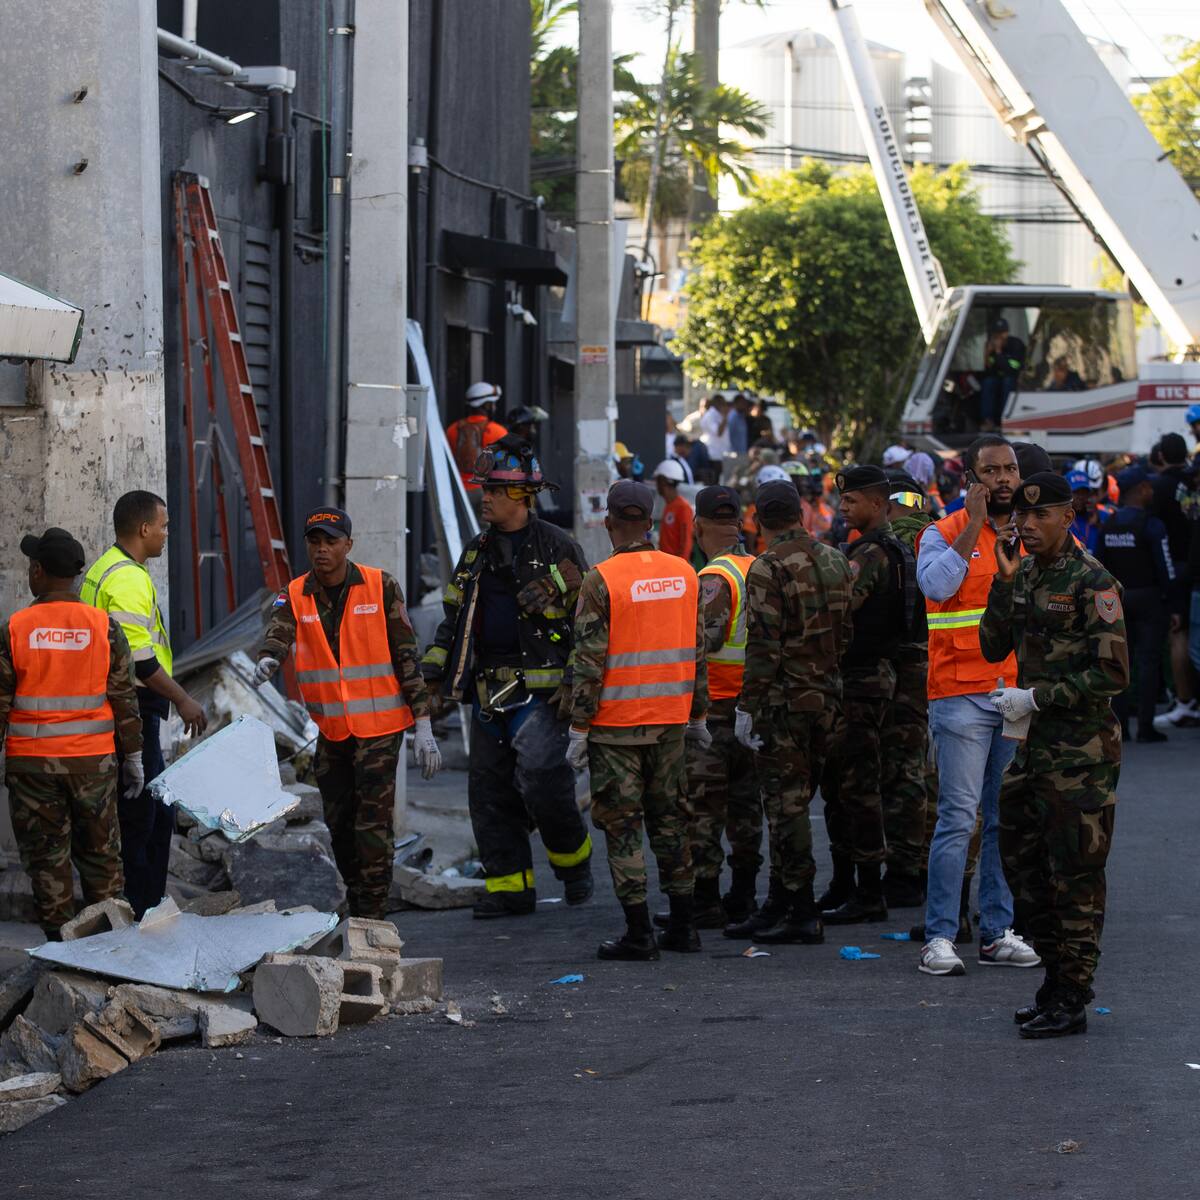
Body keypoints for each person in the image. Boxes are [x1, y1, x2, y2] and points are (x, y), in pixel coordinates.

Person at [983, 472, 1129, 1038]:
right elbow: (992, 645)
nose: (1027, 525)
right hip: (1032, 752)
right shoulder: (1024, 575)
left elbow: (1113, 672)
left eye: (1040, 515)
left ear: (1068, 517)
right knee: (1023, 866)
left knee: (1076, 876)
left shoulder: (1093, 580)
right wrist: (1002, 582)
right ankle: (1054, 978)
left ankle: (1072, 992)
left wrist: (1038, 697)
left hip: (1081, 756)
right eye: (1021, 516)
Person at [420, 438, 593, 916]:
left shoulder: (558, 547)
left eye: (495, 490)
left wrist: (576, 682)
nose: (486, 498)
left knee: (543, 781)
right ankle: (509, 888)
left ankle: (573, 864)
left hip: (543, 694)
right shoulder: (476, 552)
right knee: (489, 791)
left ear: (522, 495)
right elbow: (453, 619)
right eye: (485, 489)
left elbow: (590, 625)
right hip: (488, 692)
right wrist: (432, 676)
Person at [255, 506, 441, 919]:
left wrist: (424, 724)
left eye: (331, 541)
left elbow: (406, 657)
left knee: (371, 824)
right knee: (339, 824)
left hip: (380, 729)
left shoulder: (380, 586)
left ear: (348, 545)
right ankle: (357, 902)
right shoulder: (296, 592)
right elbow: (280, 629)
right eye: (314, 541)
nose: (322, 549)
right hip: (334, 730)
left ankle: (372, 916)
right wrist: (269, 657)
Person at [567, 479, 709, 960]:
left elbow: (588, 662)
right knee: (671, 822)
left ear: (608, 522)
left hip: (616, 728)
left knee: (623, 827)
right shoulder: (685, 574)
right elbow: (698, 651)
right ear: (649, 522)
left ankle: (639, 933)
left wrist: (578, 728)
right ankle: (684, 927)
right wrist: (699, 714)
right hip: (671, 723)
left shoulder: (601, 580)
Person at [915, 435, 1039, 976]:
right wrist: (974, 525)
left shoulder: (1033, 534)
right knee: (958, 819)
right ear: (971, 480)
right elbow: (936, 587)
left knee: (1002, 820)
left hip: (1014, 695)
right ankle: (940, 937)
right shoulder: (942, 532)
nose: (1004, 478)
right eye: (991, 471)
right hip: (959, 693)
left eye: (1010, 469)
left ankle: (996, 932)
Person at [1, 529, 142, 938]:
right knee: (102, 860)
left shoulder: (15, 629)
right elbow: (124, 699)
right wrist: (134, 756)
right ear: (77, 576)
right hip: (93, 766)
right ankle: (111, 950)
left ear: (38, 572)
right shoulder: (104, 627)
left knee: (48, 863)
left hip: (32, 769)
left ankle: (59, 953)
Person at [732, 480, 854, 944]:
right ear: (801, 513)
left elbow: (763, 646)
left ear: (759, 520)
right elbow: (847, 632)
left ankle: (801, 909)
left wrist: (748, 705)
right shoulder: (836, 559)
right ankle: (780, 902)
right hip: (829, 696)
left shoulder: (768, 566)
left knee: (787, 807)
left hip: (786, 703)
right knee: (803, 801)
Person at [82, 491, 208, 917]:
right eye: (164, 526)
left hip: (122, 708)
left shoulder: (108, 568)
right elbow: (141, 661)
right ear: (143, 529)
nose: (167, 534)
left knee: (150, 811)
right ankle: (140, 912)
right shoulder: (128, 580)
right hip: (132, 709)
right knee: (144, 816)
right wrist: (183, 699)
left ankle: (137, 905)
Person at [659, 485, 762, 929]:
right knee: (746, 808)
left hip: (715, 712)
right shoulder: (758, 567)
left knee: (703, 809)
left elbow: (704, 641)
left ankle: (704, 899)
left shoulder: (715, 577)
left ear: (699, 526)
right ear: (738, 524)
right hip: (752, 711)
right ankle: (744, 896)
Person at [819, 465, 915, 925]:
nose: (843, 507)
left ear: (878, 504)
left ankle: (866, 890)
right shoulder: (889, 548)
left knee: (855, 787)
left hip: (861, 679)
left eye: (851, 500)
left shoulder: (871, 553)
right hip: (873, 677)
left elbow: (838, 611)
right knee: (851, 784)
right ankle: (849, 885)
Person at [878, 471, 934, 909]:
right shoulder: (943, 535)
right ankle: (931, 867)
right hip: (946, 667)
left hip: (900, 667)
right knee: (934, 773)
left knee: (902, 771)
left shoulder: (886, 543)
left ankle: (904, 872)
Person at [1097, 464, 1174, 742]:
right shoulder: (1152, 525)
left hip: (1117, 601)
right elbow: (1165, 567)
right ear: (1141, 490)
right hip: (1149, 599)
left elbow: (1099, 567)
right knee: (1148, 662)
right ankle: (1145, 726)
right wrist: (1172, 602)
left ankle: (1121, 727)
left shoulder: (1109, 524)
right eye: (1149, 487)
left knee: (1119, 662)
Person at [1151, 432, 1199, 728]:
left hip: (1176, 567)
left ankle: (1185, 701)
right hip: (1191, 566)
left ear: (1161, 456)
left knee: (1178, 632)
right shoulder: (1191, 481)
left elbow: (1154, 529)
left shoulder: (1159, 486)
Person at [446, 381, 508, 491]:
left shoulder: (452, 430)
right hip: (487, 492)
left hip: (457, 490)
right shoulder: (499, 431)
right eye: (493, 404)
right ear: (487, 405)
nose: (494, 407)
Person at [980, 317, 1026, 429]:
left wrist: (998, 352)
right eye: (996, 335)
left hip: (1013, 378)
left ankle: (1005, 420)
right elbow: (988, 369)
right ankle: (988, 420)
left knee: (1007, 382)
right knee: (988, 382)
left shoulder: (1016, 345)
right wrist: (987, 353)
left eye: (1002, 334)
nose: (999, 338)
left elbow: (1012, 368)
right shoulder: (991, 346)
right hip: (997, 378)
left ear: (1007, 333)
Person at [654, 459, 694, 561]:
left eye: (657, 480)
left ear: (663, 481)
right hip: (666, 563)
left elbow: (686, 542)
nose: (656, 485)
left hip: (675, 565)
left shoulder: (683, 507)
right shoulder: (669, 505)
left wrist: (681, 565)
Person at [1067, 469, 1104, 554]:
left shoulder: (1100, 516)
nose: (1080, 497)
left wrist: (1099, 523)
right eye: (1076, 492)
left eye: (1084, 492)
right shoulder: (1061, 520)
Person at [699, 394, 732, 467]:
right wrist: (725, 417)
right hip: (714, 455)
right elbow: (718, 432)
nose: (725, 406)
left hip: (722, 453)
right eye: (723, 403)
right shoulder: (710, 415)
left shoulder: (718, 414)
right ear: (717, 403)